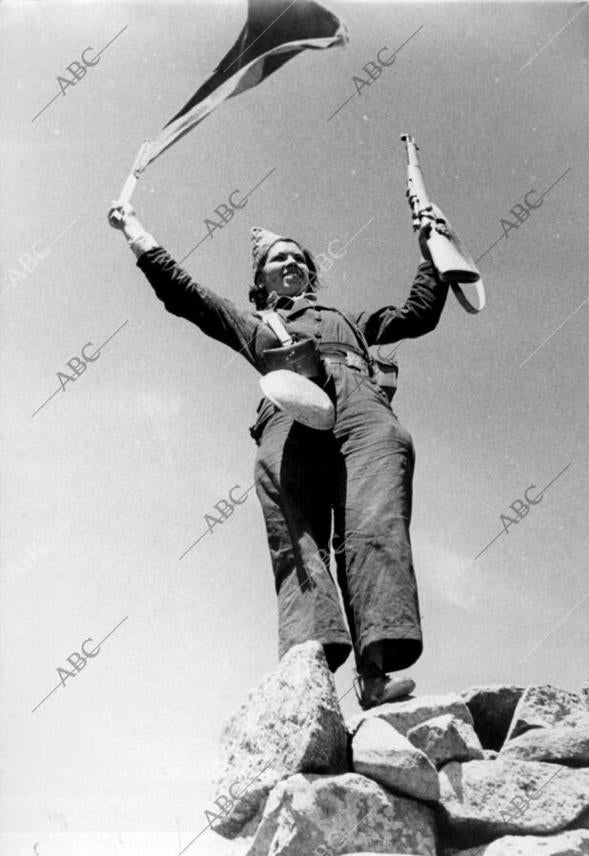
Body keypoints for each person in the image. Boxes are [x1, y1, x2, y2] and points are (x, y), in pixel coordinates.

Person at [108, 201, 450, 708]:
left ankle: (374, 674)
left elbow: (417, 315)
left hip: (362, 413)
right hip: (289, 418)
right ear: (262, 280)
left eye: (298, 258)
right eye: (278, 260)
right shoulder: (256, 326)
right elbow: (188, 295)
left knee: (375, 523)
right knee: (299, 544)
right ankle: (309, 680)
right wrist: (133, 231)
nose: (291, 264)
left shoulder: (348, 319)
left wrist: (433, 252)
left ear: (311, 272)